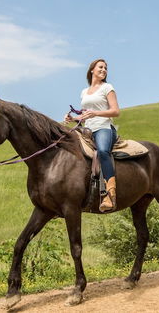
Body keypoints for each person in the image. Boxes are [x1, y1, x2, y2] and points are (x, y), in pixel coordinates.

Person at [65, 58, 120, 212]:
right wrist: (73, 118)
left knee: (103, 151)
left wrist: (95, 113)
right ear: (92, 70)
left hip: (103, 128)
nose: (103, 70)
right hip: (87, 130)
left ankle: (110, 194)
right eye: (100, 67)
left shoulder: (107, 87)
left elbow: (116, 111)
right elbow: (85, 115)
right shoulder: (84, 91)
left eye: (105, 68)